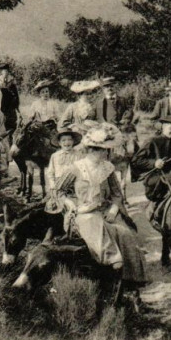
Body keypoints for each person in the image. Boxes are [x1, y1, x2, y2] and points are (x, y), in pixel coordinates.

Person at [58, 124, 147, 291]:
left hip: (106, 209)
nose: (106, 153)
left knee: (125, 233)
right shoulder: (76, 168)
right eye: (102, 150)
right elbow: (59, 191)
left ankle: (131, 279)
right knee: (94, 223)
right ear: (92, 150)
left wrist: (114, 210)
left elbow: (117, 194)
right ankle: (112, 259)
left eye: (106, 150)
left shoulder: (108, 168)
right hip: (84, 212)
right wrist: (71, 205)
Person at [130, 115, 171, 219]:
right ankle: (155, 214)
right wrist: (154, 163)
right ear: (163, 127)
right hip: (157, 176)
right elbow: (136, 161)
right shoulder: (152, 141)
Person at [44, 126, 84, 215]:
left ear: (73, 141)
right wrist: (52, 184)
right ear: (59, 143)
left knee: (76, 206)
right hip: (58, 186)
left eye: (69, 140)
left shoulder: (78, 155)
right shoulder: (55, 156)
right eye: (63, 140)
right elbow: (50, 172)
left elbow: (82, 171)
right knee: (52, 206)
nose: (67, 142)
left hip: (74, 186)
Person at [0, 63, 21, 135]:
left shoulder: (12, 81)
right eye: (4, 71)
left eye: (7, 71)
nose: (5, 72)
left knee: (11, 125)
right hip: (0, 105)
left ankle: (11, 140)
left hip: (10, 106)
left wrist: (15, 106)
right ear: (1, 72)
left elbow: (15, 95)